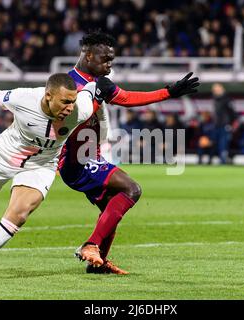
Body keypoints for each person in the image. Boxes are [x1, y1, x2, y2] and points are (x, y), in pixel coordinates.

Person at [0, 56, 111, 282]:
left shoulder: (81, 108)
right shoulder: (23, 98)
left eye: (72, 102)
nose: (70, 108)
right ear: (48, 96)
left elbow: (92, 90)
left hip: (41, 166)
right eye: (65, 102)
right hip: (4, 156)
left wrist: (103, 87)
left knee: (18, 216)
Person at [60, 31, 199, 274]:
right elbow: (61, 120)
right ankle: (91, 246)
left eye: (112, 60)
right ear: (88, 55)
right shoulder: (68, 85)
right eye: (105, 59)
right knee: (132, 189)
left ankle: (98, 264)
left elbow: (127, 97)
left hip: (89, 158)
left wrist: (169, 92)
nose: (109, 65)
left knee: (110, 211)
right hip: (77, 161)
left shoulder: (98, 83)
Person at [211, 83, 238, 164]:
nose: (215, 91)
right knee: (217, 143)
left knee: (223, 144)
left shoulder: (227, 99)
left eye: (216, 89)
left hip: (225, 125)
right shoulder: (215, 99)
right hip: (217, 125)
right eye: (214, 90)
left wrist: (230, 124)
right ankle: (220, 159)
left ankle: (223, 160)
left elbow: (233, 113)